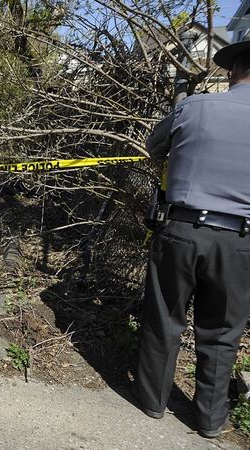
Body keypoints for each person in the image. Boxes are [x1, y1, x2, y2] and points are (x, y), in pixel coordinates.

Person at [134, 36, 250, 438]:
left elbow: (154, 147)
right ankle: (210, 420)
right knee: (221, 332)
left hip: (181, 231)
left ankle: (151, 402)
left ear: (233, 71)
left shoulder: (195, 106)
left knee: (164, 317)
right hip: (240, 241)